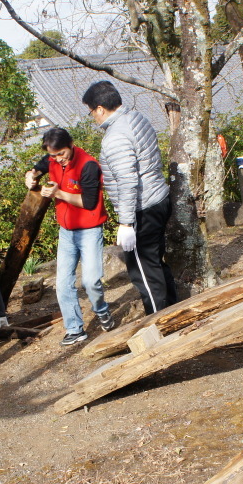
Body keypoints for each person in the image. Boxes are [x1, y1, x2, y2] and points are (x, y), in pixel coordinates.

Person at [82, 81, 177, 315]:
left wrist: (125, 223)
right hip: (159, 198)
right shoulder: (136, 117)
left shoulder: (115, 137)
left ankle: (160, 324)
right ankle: (175, 313)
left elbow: (127, 182)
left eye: (91, 111)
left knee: (142, 271)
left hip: (142, 208)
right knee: (154, 263)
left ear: (101, 109)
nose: (93, 117)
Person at [24, 127, 117, 345]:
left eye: (61, 154)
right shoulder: (52, 159)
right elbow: (35, 170)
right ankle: (75, 329)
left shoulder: (88, 166)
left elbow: (89, 203)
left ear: (71, 145)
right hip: (66, 231)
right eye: (53, 155)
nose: (57, 160)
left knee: (91, 281)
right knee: (63, 283)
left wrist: (58, 194)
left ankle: (101, 310)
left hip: (89, 230)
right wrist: (31, 177)